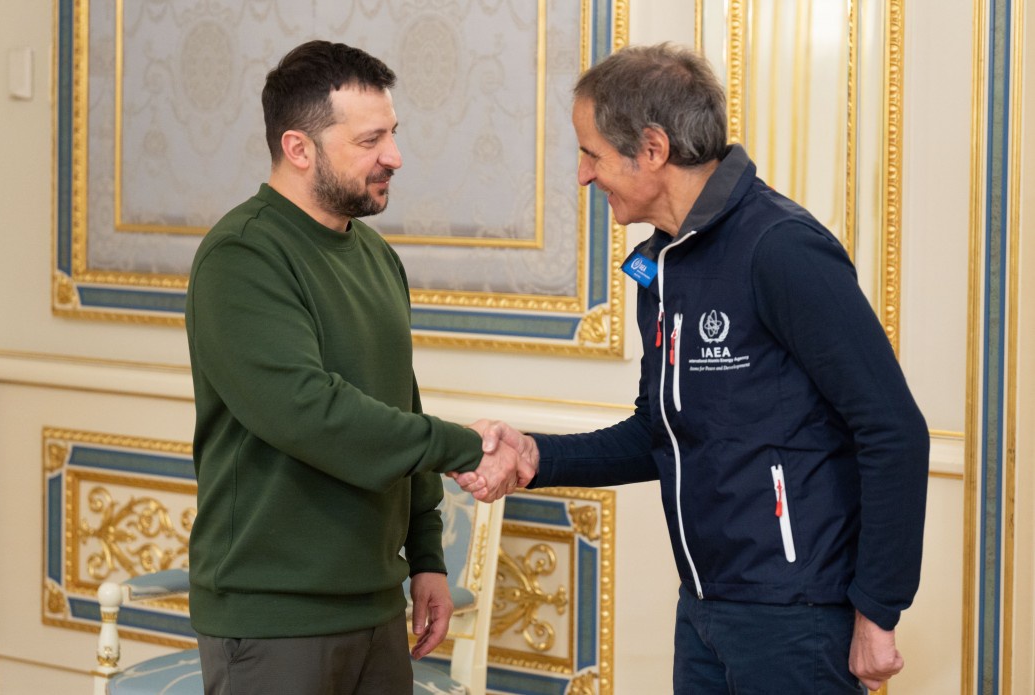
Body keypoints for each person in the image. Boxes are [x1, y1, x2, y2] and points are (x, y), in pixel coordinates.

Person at [454, 43, 929, 694]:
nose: (583, 176)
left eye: (592, 153)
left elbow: (893, 429)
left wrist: (877, 607)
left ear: (652, 148)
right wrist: (536, 454)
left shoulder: (780, 248)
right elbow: (660, 432)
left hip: (795, 614)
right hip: (704, 607)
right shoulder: (662, 265)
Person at [184, 40, 518, 695]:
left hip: (376, 606)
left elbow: (401, 406)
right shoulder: (241, 256)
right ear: (298, 148)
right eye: (370, 140)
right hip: (273, 619)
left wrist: (426, 556)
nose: (394, 156)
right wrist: (466, 445)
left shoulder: (375, 256)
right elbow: (310, 413)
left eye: (392, 133)